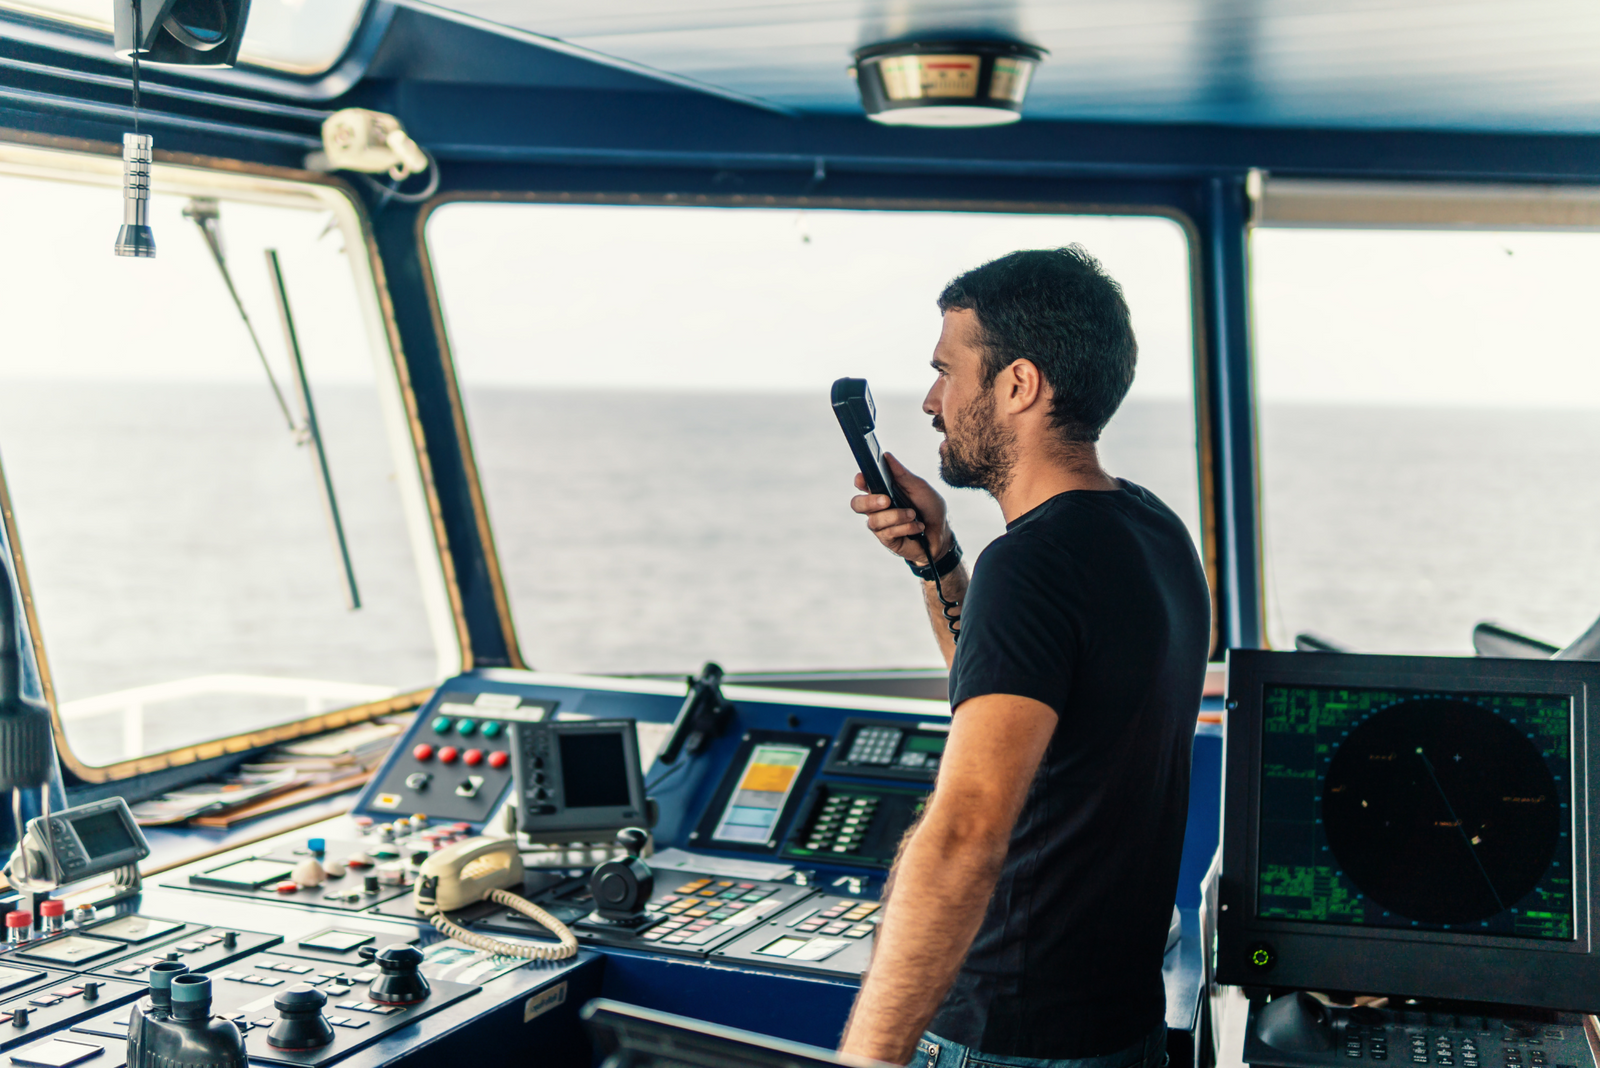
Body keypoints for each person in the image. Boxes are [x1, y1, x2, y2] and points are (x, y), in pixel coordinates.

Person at [837, 247, 1210, 1068]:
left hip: (1009, 1037)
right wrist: (938, 559)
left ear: (1018, 385)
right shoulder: (1151, 530)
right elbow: (1011, 680)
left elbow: (968, 829)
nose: (932, 402)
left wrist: (867, 1056)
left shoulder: (1033, 564)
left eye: (947, 371)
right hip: (1117, 1028)